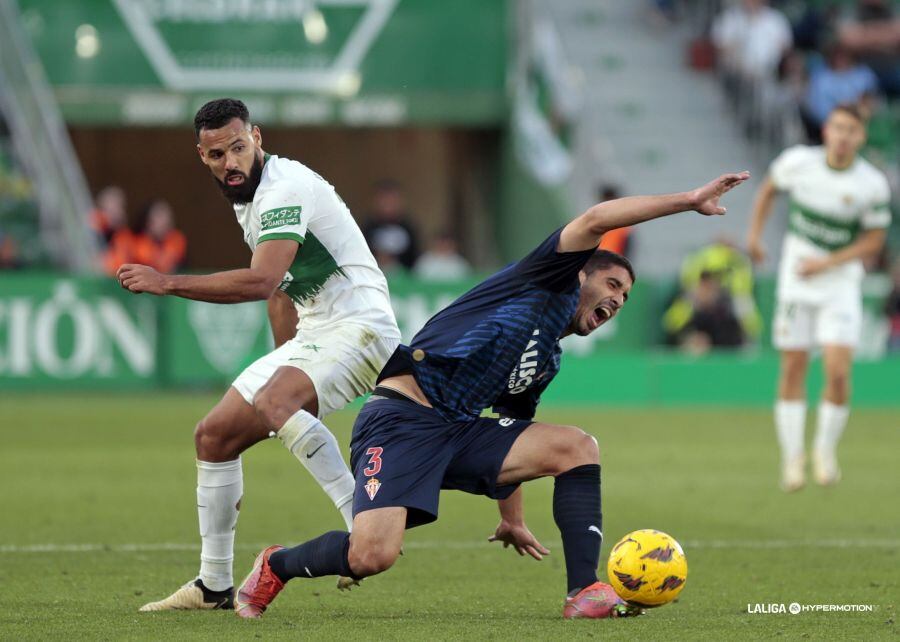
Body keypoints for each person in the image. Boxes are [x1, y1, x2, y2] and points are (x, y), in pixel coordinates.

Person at [233, 171, 750, 620]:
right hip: (402, 420)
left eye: (626, 296)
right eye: (612, 284)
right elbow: (596, 218)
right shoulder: (546, 279)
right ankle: (277, 564)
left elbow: (511, 427)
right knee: (372, 556)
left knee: (577, 447)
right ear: (581, 272)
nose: (618, 299)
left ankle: (583, 591)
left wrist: (511, 518)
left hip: (459, 431)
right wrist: (688, 200)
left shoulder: (545, 359)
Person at [117, 98, 401, 611]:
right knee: (214, 435)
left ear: (257, 138)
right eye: (217, 155)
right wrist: (288, 362)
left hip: (360, 326)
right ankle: (214, 586)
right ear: (202, 156)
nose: (230, 162)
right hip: (318, 333)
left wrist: (167, 282)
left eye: (238, 148)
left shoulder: (283, 188)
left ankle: (360, 522)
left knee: (274, 401)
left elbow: (262, 280)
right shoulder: (247, 196)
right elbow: (282, 292)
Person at [746, 105, 891, 492]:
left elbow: (874, 240)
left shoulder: (871, 183)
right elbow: (768, 189)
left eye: (851, 130)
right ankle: (792, 457)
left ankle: (825, 450)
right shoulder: (798, 162)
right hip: (796, 282)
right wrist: (755, 236)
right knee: (793, 366)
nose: (843, 136)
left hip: (840, 284)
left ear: (861, 137)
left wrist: (828, 262)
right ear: (827, 130)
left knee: (838, 371)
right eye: (838, 127)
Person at [362, 179, 420, 270]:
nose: (388, 204)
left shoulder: (409, 228)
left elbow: (415, 258)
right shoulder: (368, 228)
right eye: (384, 200)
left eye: (392, 200)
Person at [132, 199, 188, 274]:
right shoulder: (135, 244)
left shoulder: (177, 240)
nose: (165, 221)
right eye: (159, 216)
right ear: (147, 221)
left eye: (168, 217)